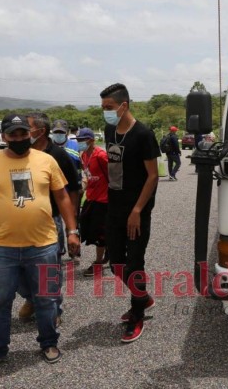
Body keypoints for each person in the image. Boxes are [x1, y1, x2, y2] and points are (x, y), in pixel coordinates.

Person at [0, 114, 79, 364]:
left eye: (24, 133)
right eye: (14, 134)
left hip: (43, 244)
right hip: (3, 247)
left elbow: (63, 196)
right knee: (1, 300)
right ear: (4, 137)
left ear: (31, 134)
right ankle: (0, 349)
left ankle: (49, 343)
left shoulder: (47, 160)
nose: (20, 138)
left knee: (47, 297)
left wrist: (72, 231)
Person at [100, 83, 160, 343]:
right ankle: (143, 297)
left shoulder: (143, 134)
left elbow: (153, 175)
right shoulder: (109, 130)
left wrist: (137, 210)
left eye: (109, 108)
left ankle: (137, 314)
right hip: (114, 207)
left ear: (123, 106)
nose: (106, 112)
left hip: (137, 211)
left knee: (135, 263)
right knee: (114, 263)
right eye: (103, 108)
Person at [17, 113, 81, 326]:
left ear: (40, 131)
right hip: (20, 221)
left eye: (27, 129)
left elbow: (72, 190)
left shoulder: (58, 156)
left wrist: (72, 226)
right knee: (16, 267)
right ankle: (31, 299)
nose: (23, 133)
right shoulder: (20, 154)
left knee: (49, 268)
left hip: (50, 220)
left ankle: (53, 308)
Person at [76, 128, 110, 277]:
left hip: (104, 200)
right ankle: (109, 252)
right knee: (85, 225)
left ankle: (99, 262)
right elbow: (88, 175)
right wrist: (83, 188)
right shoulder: (83, 155)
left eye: (82, 140)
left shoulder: (101, 155)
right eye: (78, 140)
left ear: (91, 140)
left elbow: (114, 176)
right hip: (91, 198)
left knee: (99, 233)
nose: (80, 143)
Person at [52, 119, 83, 262]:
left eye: (61, 132)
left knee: (73, 221)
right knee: (55, 223)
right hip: (54, 191)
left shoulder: (74, 146)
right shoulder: (48, 147)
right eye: (56, 132)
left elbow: (82, 166)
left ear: (67, 133)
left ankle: (74, 250)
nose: (58, 135)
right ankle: (58, 251)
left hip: (71, 190)